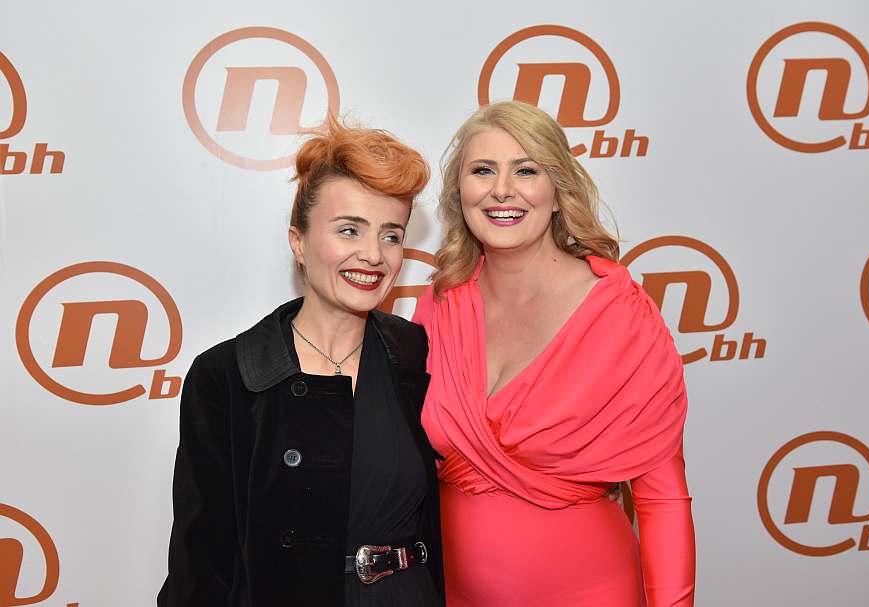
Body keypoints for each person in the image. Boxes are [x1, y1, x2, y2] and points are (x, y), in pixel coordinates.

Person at [413, 100, 695, 607]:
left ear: (559, 191)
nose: (502, 190)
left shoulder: (619, 316)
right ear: (460, 192)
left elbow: (662, 498)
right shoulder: (439, 304)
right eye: (483, 170)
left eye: (526, 170)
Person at [158, 119, 444, 607]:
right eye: (349, 230)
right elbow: (200, 562)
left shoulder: (415, 352)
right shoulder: (229, 375)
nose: (373, 255)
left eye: (391, 236)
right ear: (298, 241)